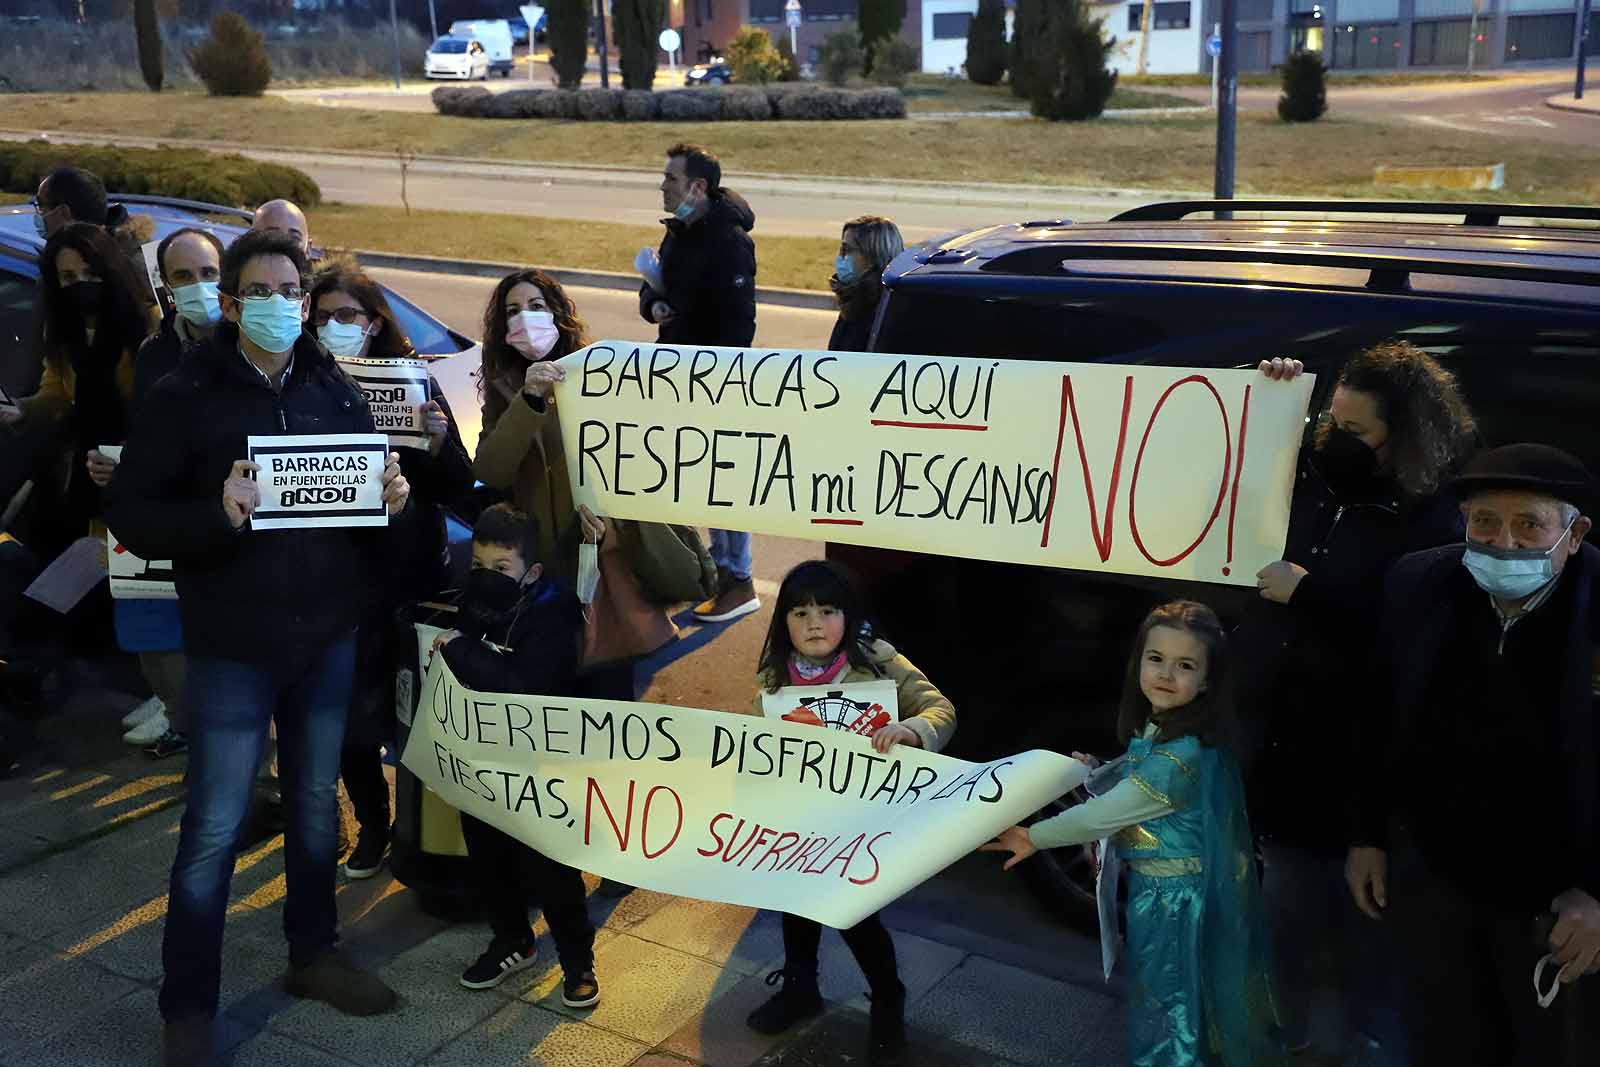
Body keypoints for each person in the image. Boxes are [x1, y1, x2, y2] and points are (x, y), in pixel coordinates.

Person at [105, 230, 412, 1065]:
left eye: (292, 290)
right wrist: (218, 514)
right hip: (233, 646)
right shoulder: (183, 394)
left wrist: (391, 499)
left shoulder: (335, 390)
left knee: (317, 805)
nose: (280, 305)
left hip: (324, 640)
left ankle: (313, 953)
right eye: (261, 292)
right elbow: (132, 515)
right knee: (214, 824)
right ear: (233, 304)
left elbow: (367, 531)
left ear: (306, 302)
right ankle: (189, 1009)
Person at [1238, 343, 1475, 1060]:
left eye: (1354, 430)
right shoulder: (1313, 480)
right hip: (1284, 773)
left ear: (1402, 438)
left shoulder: (1435, 523)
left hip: (1358, 795)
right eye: (1328, 421)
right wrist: (1271, 396)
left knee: (1369, 970)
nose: (1334, 439)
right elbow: (1226, 465)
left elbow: (1406, 643)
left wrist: (1310, 593)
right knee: (1282, 946)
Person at [1347, 443, 1600, 1066]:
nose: (1503, 544)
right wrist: (1368, 835)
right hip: (1437, 875)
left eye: (1529, 525)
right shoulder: (1419, 583)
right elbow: (1378, 715)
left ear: (1574, 534)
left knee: (1551, 1048)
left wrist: (1598, 891)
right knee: (1447, 1040)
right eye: (1484, 522)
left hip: (1554, 900)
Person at [983, 601, 1274, 1067]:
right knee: (1167, 998)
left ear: (1208, 681)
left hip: (1173, 901)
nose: (1165, 673)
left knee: (1172, 1009)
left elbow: (1106, 815)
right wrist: (1094, 771)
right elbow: (1132, 778)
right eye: (1156, 658)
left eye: (1185, 665)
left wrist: (1032, 836)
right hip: (1160, 893)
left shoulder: (1181, 758)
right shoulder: (1168, 732)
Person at [740, 560, 956, 1064]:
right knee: (796, 908)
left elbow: (940, 709)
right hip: (799, 824)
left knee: (855, 916)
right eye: (799, 612)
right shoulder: (774, 680)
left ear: (848, 615)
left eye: (828, 610)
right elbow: (752, 745)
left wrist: (912, 731)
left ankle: (887, 1001)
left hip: (859, 826)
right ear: (783, 622)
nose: (814, 623)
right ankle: (799, 988)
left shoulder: (879, 663)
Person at [307, 266, 474, 879]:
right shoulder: (300, 379)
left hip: (410, 582)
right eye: (322, 315)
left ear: (375, 321)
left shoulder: (414, 381)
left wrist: (434, 445)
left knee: (415, 720)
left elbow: (457, 487)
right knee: (352, 723)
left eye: (347, 315)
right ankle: (373, 824)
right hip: (338, 582)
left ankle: (418, 829)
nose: (333, 326)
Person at [426, 503, 601, 1007]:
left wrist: (461, 650)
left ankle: (577, 960)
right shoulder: (477, 602)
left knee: (550, 866)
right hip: (483, 761)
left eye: (501, 569)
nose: (487, 577)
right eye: (479, 566)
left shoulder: (554, 613)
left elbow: (525, 685)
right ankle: (512, 941)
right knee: (488, 855)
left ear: (532, 573)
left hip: (540, 767)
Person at [473, 269, 675, 699]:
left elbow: (633, 474)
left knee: (604, 705)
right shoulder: (504, 386)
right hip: (538, 581)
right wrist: (527, 401)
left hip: (599, 571)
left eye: (536, 307)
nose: (524, 318)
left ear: (559, 316)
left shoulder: (598, 379)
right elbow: (491, 470)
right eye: (512, 311)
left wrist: (610, 532)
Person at [638, 143, 761, 625]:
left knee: (723, 479)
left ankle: (739, 578)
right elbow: (656, 285)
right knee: (697, 477)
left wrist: (684, 320)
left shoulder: (729, 241)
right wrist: (654, 304)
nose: (662, 187)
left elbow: (737, 325)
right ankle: (718, 568)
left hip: (715, 381)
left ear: (697, 186)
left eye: (670, 178)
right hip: (680, 373)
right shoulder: (679, 232)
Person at [117, 226, 229, 755]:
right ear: (166, 285)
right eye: (184, 276)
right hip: (187, 532)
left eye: (209, 274)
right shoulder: (155, 354)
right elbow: (147, 442)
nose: (199, 286)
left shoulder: (257, 344)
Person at [2, 223, 152, 555]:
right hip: (82, 474)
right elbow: (56, 391)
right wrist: (23, 409)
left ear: (110, 270)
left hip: (137, 475)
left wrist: (129, 452)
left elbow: (161, 408)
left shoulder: (148, 325)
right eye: (68, 277)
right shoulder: (63, 329)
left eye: (91, 272)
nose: (81, 284)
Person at [32, 165, 160, 314]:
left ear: (63, 213)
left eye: (41, 206)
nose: (38, 214)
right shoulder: (151, 258)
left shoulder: (125, 268)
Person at [828, 216, 903, 354]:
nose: (840, 257)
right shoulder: (853, 300)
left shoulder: (885, 312)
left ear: (872, 257)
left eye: (847, 250)